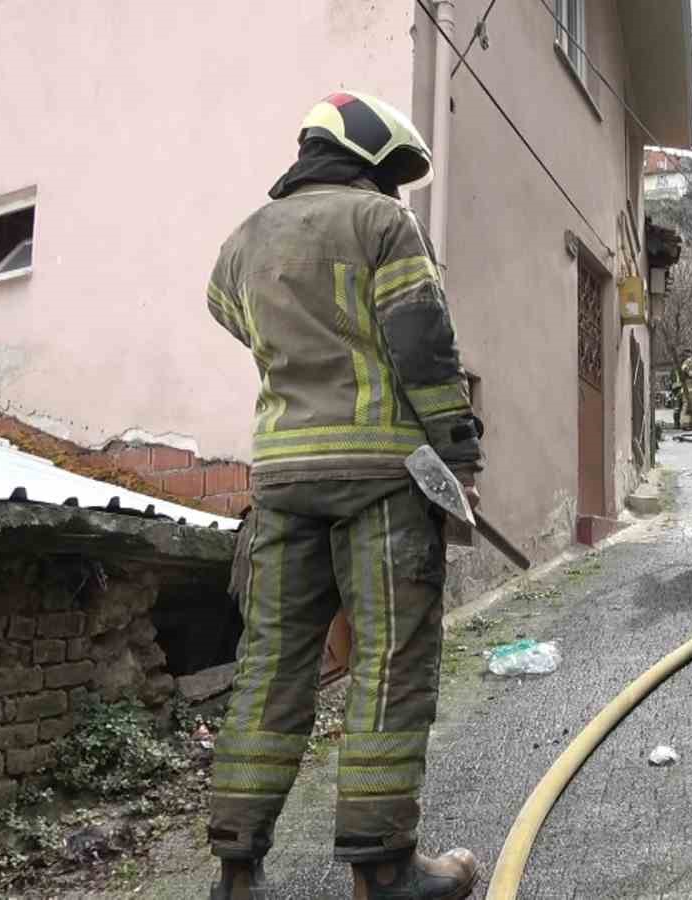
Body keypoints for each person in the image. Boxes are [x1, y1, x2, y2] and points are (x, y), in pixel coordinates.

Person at [203, 91, 483, 900]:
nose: (393, 189)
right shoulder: (382, 225)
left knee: (270, 668)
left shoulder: (242, 241)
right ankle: (384, 873)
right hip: (380, 479)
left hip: (283, 478)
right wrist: (459, 451)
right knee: (389, 663)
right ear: (367, 156)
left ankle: (235, 872)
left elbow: (230, 314)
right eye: (389, 172)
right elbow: (422, 343)